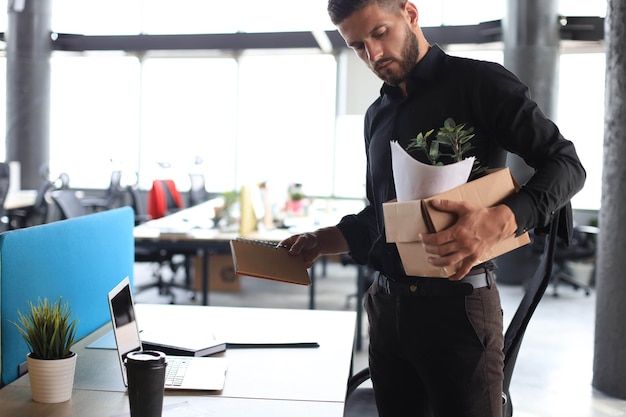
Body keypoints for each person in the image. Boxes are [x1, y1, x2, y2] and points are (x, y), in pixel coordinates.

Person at [280, 1, 586, 416]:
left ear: (409, 13)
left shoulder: (479, 83)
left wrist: (504, 219)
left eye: (379, 33)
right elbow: (380, 217)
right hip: (387, 312)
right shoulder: (377, 115)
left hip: (459, 311)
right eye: (356, 46)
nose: (373, 55)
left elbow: (566, 164)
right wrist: (320, 241)